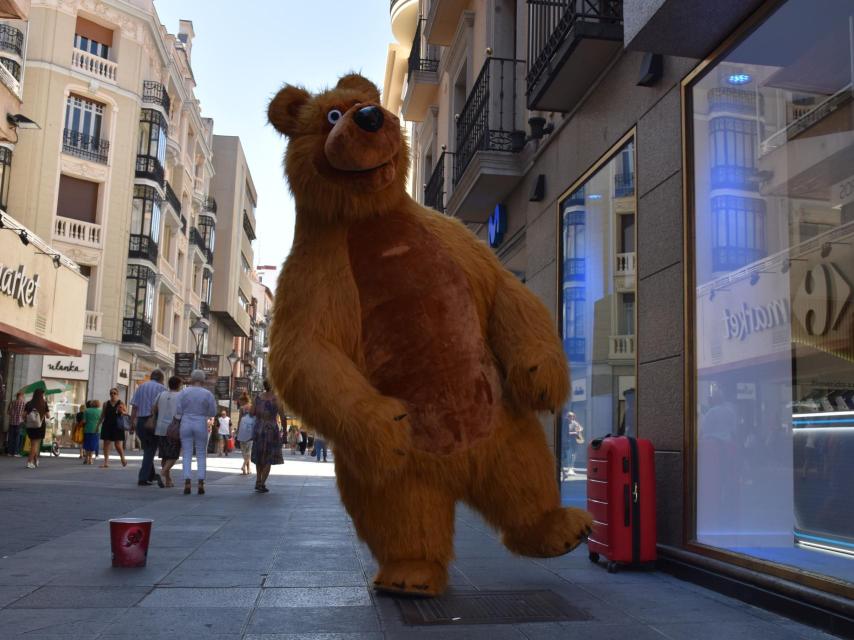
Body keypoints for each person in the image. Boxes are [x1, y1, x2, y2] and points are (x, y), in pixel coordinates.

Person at [175, 369, 218, 495]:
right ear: (203, 380)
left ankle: (187, 481)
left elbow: (178, 409)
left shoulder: (184, 392)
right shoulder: (207, 394)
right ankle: (200, 482)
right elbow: (213, 412)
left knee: (187, 453)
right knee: (200, 453)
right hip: (200, 423)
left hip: (186, 422)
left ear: (192, 379)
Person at [130, 369, 166, 487]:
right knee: (150, 450)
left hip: (141, 421)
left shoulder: (141, 386)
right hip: (153, 422)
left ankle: (151, 475)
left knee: (147, 449)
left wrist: (132, 422)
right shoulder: (162, 389)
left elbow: (134, 407)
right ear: (161, 378)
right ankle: (143, 477)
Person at [251, 380, 284, 493]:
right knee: (268, 457)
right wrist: (284, 430)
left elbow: (252, 412)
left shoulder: (257, 398)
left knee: (259, 456)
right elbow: (283, 416)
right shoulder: (277, 399)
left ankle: (258, 480)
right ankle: (262, 483)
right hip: (271, 430)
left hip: (259, 428)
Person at [152, 375, 182, 488]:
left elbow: (153, 408)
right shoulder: (181, 396)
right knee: (173, 456)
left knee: (165, 455)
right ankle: (163, 473)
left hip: (160, 428)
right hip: (173, 428)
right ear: (179, 385)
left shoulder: (161, 394)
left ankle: (168, 480)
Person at [98, 388, 127, 468]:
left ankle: (122, 458)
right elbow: (102, 415)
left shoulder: (121, 403)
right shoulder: (106, 403)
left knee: (117, 445)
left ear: (117, 394)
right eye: (111, 393)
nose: (112, 394)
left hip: (117, 426)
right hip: (107, 425)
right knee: (106, 444)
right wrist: (97, 425)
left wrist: (122, 411)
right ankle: (106, 462)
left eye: (114, 393)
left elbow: (126, 413)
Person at [24, 388, 49, 469]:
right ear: (41, 395)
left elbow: (23, 415)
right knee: (35, 445)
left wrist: (27, 421)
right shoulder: (44, 403)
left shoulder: (29, 403)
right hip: (40, 425)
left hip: (30, 426)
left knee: (33, 444)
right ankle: (29, 462)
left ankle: (36, 460)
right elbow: (48, 415)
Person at [6, 391, 26, 457]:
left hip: (12, 422)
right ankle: (16, 452)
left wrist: (13, 415)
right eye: (23, 396)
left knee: (11, 437)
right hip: (19, 422)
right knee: (17, 437)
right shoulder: (23, 403)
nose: (23, 397)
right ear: (21, 396)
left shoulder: (12, 402)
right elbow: (24, 414)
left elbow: (8, 412)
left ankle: (9, 452)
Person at [236, 407, 255, 476]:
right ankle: (244, 467)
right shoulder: (253, 419)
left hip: (242, 437)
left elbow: (240, 428)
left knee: (245, 453)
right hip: (249, 437)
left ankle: (247, 469)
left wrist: (238, 435)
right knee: (248, 453)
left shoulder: (242, 419)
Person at [82, 400, 101, 465]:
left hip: (87, 429)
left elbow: (84, 421)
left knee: (87, 444)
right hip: (96, 430)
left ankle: (86, 458)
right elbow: (102, 421)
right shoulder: (100, 411)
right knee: (93, 445)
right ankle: (90, 459)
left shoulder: (86, 410)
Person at [566, 411, 584, 476]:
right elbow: (566, 433)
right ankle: (569, 468)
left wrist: (579, 430)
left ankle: (571, 467)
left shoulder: (575, 423)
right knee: (569, 454)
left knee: (574, 454)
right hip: (568, 441)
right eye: (570, 416)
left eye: (572, 416)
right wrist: (574, 433)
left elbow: (581, 428)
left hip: (575, 441)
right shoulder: (566, 424)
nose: (571, 417)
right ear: (567, 417)